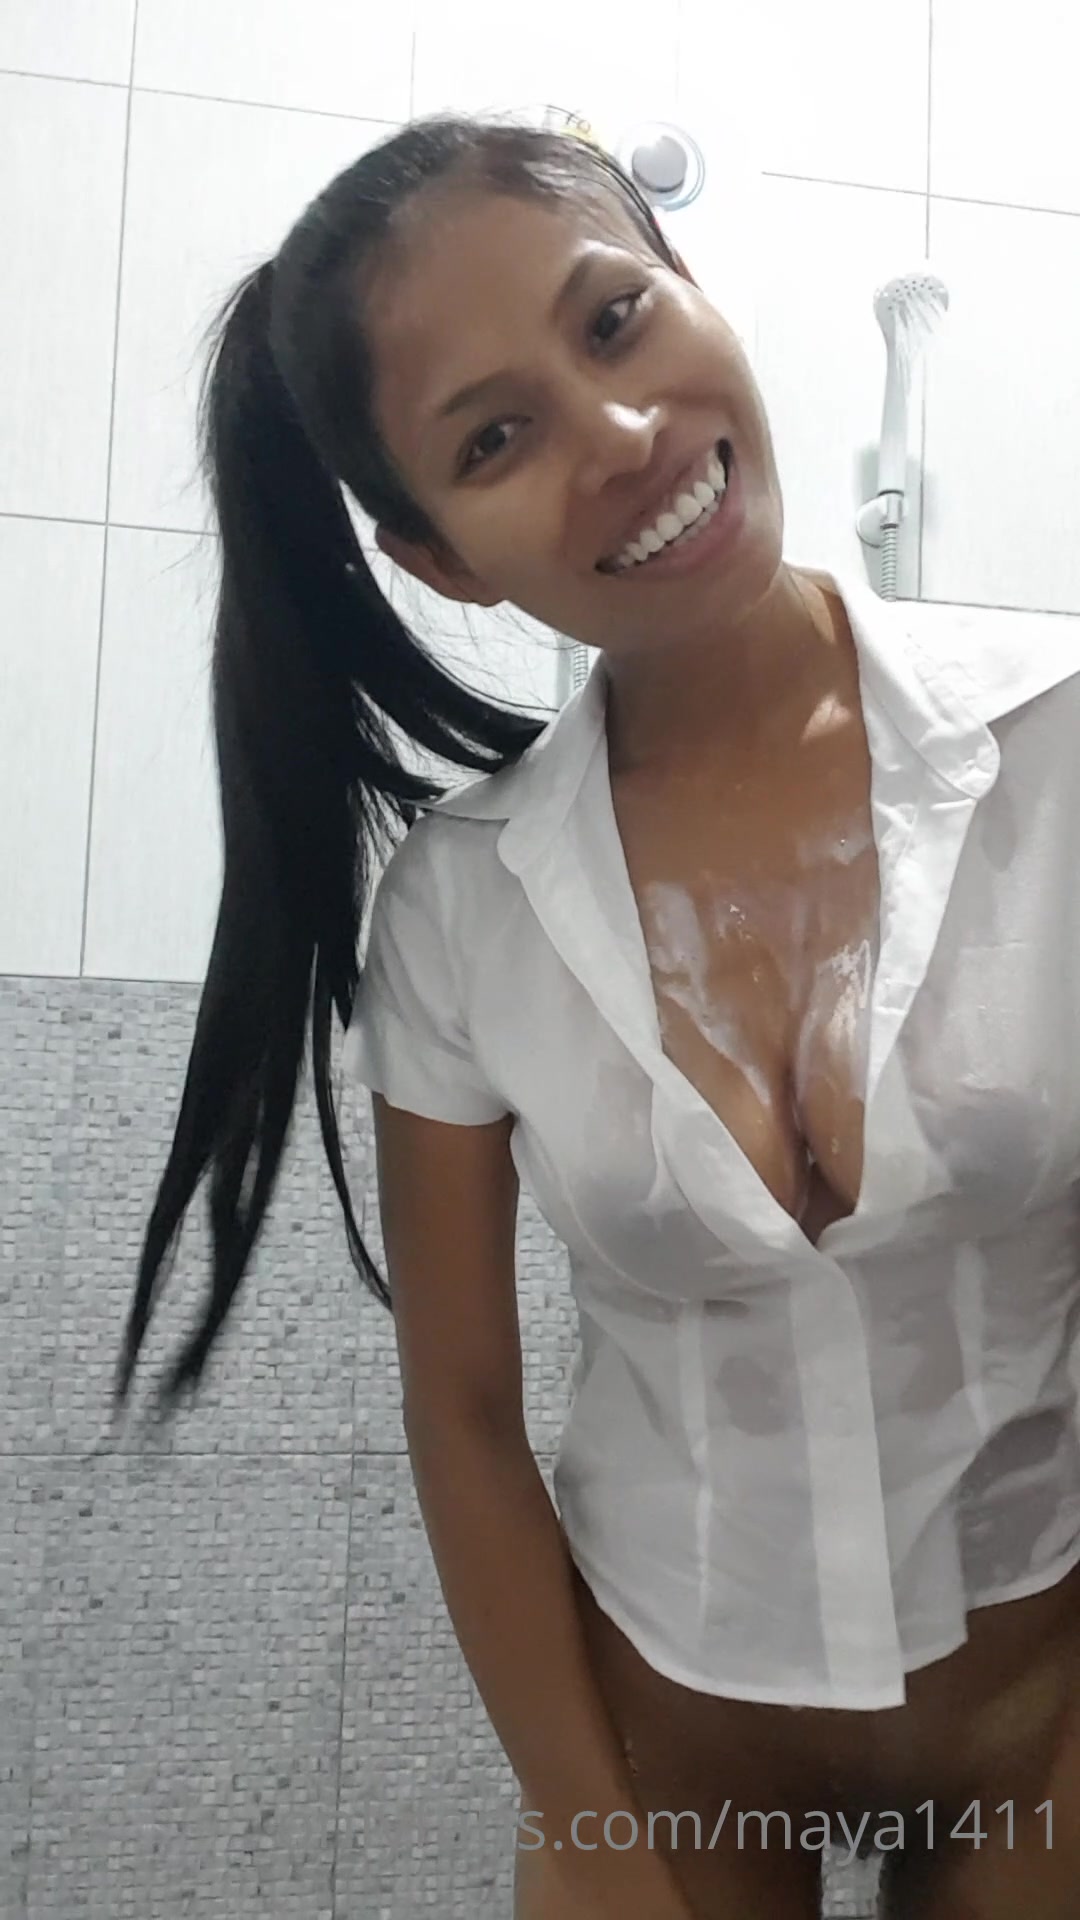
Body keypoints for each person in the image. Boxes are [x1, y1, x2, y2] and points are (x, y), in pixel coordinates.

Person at [115, 114, 1080, 1919]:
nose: (622, 434)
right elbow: (466, 1414)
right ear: (438, 557)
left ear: (692, 283)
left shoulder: (1059, 745)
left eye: (615, 320)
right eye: (494, 438)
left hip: (1048, 1716)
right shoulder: (463, 914)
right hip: (672, 1742)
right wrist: (600, 1840)